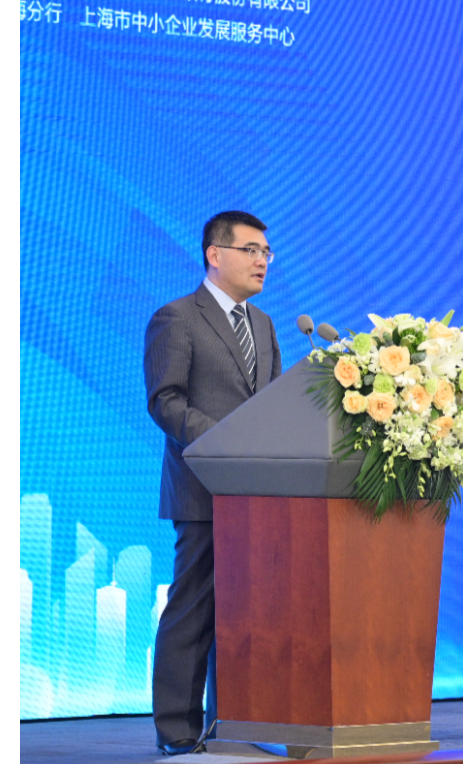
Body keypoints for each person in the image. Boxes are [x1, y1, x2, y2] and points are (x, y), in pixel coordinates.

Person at [144, 211, 282, 755]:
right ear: (215, 254)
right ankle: (177, 728)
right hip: (202, 488)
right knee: (194, 608)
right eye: (251, 250)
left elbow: (273, 405)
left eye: (266, 252)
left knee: (248, 613)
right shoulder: (177, 318)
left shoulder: (264, 325)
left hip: (257, 495)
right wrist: (227, 440)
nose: (261, 261)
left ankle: (237, 720)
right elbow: (166, 401)